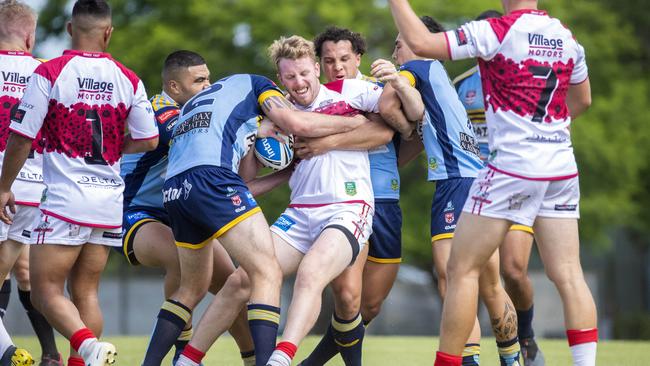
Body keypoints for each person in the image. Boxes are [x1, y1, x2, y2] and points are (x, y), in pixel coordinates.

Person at [386, 1, 597, 365]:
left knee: (460, 270)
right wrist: (545, 129)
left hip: (513, 167)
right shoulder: (565, 36)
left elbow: (420, 43)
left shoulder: (497, 31)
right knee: (568, 273)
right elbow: (583, 99)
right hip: (560, 165)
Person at [149, 55, 371, 366]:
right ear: (280, 84)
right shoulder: (267, 114)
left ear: (316, 69)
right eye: (290, 77)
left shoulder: (352, 94)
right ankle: (189, 360)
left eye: (304, 73)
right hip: (299, 210)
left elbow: (388, 129)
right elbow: (244, 181)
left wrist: (340, 133)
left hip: (346, 206)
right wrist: (269, 142)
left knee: (309, 276)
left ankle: (279, 358)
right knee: (243, 279)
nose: (298, 82)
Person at [0, 1, 160, 365]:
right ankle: (82, 357)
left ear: (70, 30)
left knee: (44, 291)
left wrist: (3, 186)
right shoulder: (129, 77)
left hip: (63, 200)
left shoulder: (52, 72)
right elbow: (149, 139)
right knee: (86, 293)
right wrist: (113, 150)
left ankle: (88, 347)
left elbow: (22, 136)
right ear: (108, 32)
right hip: (107, 201)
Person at [374, 14, 522, 366]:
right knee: (489, 282)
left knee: (451, 275)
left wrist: (405, 128)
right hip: (480, 179)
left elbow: (385, 106)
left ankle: (466, 360)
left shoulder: (418, 69)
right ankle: (512, 358)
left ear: (417, 39)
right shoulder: (441, 77)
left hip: (457, 183)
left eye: (398, 44)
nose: (396, 53)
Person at [119, 50, 256, 366]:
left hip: (179, 210)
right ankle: (180, 353)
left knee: (233, 284)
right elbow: (182, 132)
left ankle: (253, 359)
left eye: (209, 78)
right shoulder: (157, 110)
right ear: (174, 87)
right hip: (134, 210)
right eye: (199, 80)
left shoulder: (203, 110)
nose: (209, 86)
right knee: (184, 264)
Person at [297, 26, 404, 366]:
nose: (337, 67)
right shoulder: (315, 98)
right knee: (348, 295)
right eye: (329, 61)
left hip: (386, 201)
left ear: (359, 58)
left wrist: (328, 141)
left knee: (369, 306)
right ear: (319, 64)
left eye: (344, 59)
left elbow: (396, 132)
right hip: (344, 202)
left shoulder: (378, 92)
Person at [453, 9, 544, 365]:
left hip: (518, 181)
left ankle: (527, 335)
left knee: (514, 269)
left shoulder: (523, 77)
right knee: (471, 272)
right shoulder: (463, 83)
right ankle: (475, 353)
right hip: (480, 187)